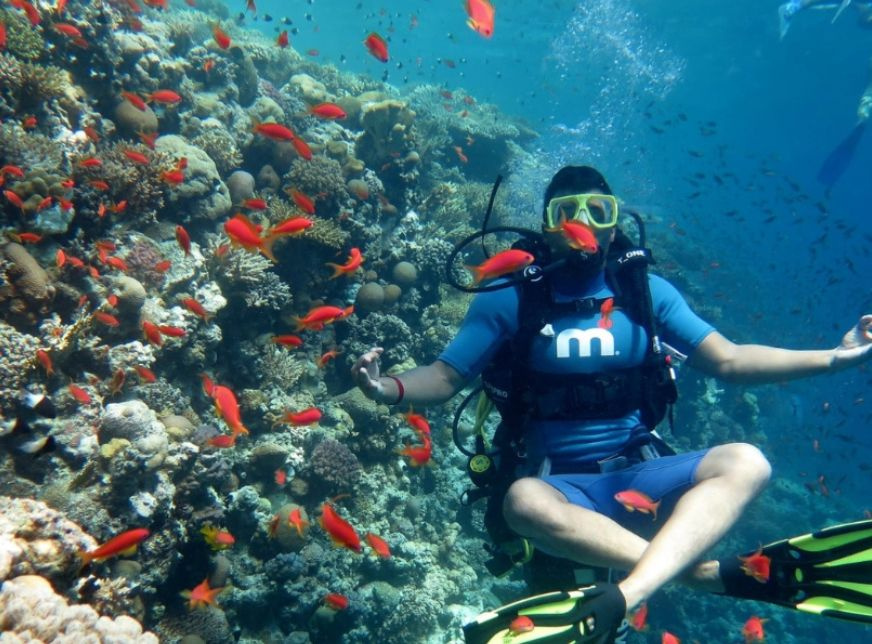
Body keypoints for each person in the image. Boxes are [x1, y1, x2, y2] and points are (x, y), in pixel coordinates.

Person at [351, 166, 872, 643]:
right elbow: (445, 376)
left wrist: (834, 357)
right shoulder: (512, 296)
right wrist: (386, 388)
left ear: (615, 221)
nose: (583, 225)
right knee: (520, 502)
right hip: (559, 488)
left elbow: (730, 360)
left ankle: (634, 588)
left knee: (748, 461)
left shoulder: (645, 292)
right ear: (548, 225)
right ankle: (701, 574)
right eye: (567, 212)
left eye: (599, 211)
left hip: (642, 474)